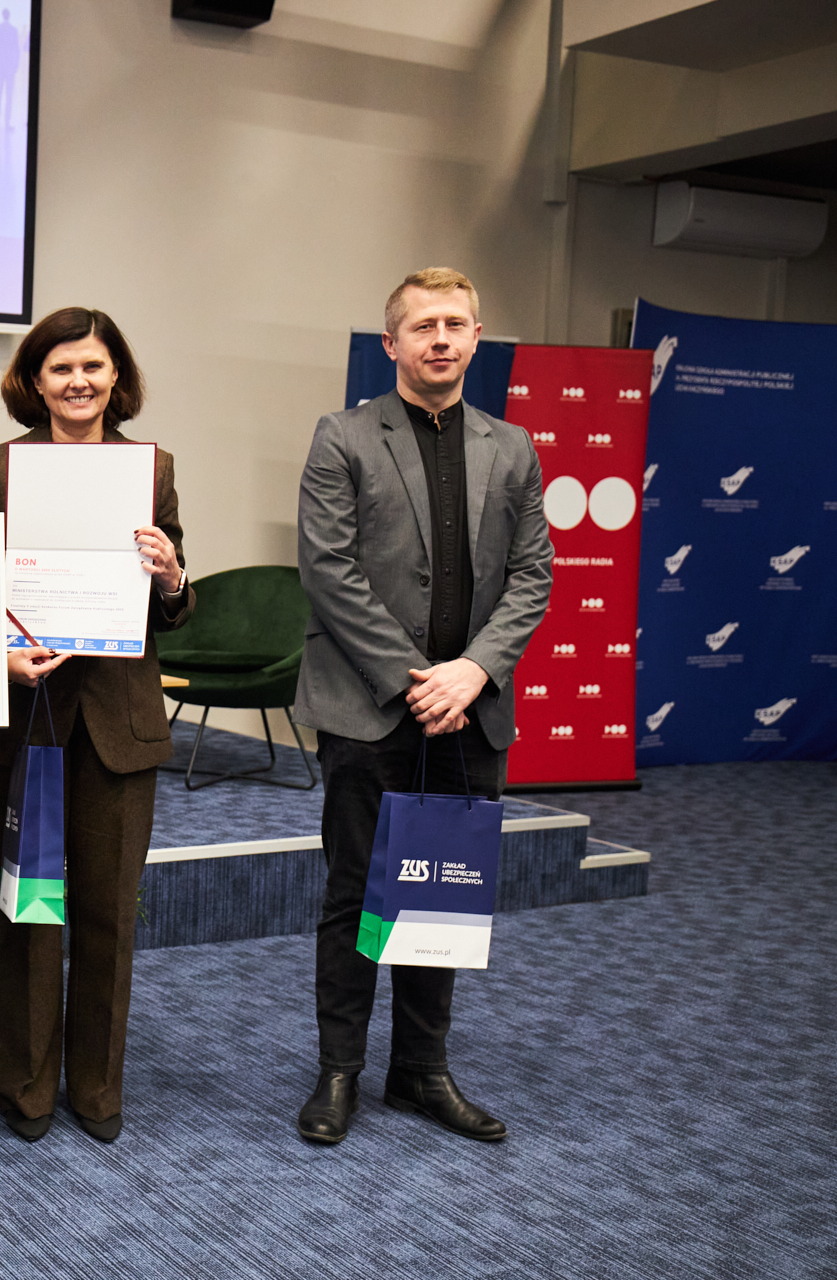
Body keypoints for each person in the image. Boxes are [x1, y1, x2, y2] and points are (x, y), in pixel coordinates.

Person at [291, 268, 551, 1146]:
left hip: (472, 712)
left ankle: (421, 1072)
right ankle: (339, 1071)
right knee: (354, 894)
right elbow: (329, 570)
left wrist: (472, 672)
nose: (441, 338)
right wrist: (416, 680)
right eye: (423, 325)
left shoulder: (511, 447)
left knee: (443, 894)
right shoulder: (343, 436)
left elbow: (534, 576)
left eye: (456, 324)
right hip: (371, 708)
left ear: (477, 337)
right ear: (392, 343)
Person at [0, 307, 194, 1144]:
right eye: (61, 368)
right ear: (35, 381)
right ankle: (25, 1088)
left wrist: (171, 574)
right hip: (28, 716)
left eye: (93, 367)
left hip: (118, 723)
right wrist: (0, 651)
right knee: (28, 912)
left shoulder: (151, 468)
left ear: (115, 377)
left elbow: (172, 606)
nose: (78, 382)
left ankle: (97, 1089)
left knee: (108, 915)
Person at [0, 8, 20, 128]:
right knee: (9, 95)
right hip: (10, 66)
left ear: (3, 15)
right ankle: (7, 122)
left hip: (1, 65)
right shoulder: (14, 30)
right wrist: (16, 65)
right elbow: (17, 50)